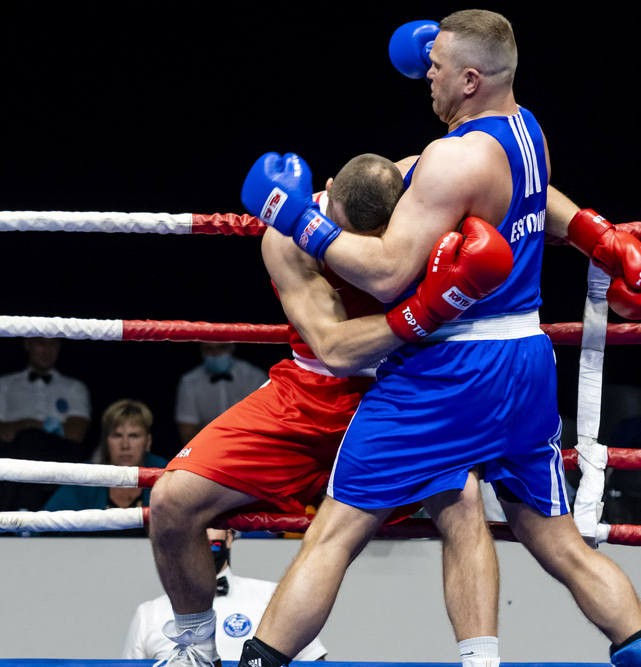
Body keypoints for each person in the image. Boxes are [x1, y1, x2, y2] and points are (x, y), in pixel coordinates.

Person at [239, 10, 641, 667]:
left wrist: (298, 218)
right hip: (525, 361)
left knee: (334, 533)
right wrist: (596, 233)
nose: (427, 72)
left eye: (438, 65)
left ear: (471, 79)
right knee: (560, 543)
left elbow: (386, 270)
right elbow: (538, 197)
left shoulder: (453, 160)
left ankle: (258, 660)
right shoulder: (528, 129)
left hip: (448, 370)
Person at [149, 153, 511, 666]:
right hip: (306, 392)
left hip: (401, 394)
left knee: (464, 501)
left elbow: (515, 170)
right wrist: (429, 308)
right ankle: (195, 648)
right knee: (170, 501)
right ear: (327, 189)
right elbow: (335, 350)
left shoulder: (427, 188)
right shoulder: (288, 236)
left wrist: (593, 234)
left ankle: (481, 662)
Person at [125, 528, 326, 662]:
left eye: (208, 524)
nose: (199, 534)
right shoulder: (148, 614)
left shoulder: (271, 597)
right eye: (189, 527)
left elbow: (316, 662)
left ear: (229, 537)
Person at [44, 399, 167, 536]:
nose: (125, 445)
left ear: (148, 442)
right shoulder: (86, 477)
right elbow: (45, 526)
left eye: (134, 436)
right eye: (117, 435)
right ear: (106, 441)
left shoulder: (166, 475)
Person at [0, 337, 90, 446]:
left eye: (53, 344)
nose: (47, 350)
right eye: (41, 343)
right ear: (28, 345)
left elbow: (75, 434)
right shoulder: (3, 384)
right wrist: (32, 425)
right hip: (13, 451)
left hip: (58, 452)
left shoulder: (75, 387)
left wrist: (22, 428)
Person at [175, 343, 268, 445]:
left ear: (232, 346)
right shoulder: (189, 382)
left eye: (222, 347)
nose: (215, 353)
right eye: (208, 349)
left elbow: (265, 423)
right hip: (207, 447)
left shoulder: (255, 377)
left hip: (249, 445)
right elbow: (187, 431)